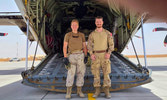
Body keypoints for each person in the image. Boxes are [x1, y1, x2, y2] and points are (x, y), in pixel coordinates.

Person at [87, 16, 114, 98]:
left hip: (105, 55)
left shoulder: (107, 33)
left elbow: (111, 45)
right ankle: (97, 91)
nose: (98, 23)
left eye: (100, 21)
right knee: (96, 74)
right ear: (95, 23)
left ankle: (107, 91)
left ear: (102, 22)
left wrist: (109, 53)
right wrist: (91, 54)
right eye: (97, 22)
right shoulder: (92, 34)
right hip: (96, 56)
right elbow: (89, 46)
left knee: (106, 74)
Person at [63, 19, 88, 99]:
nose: (74, 26)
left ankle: (79, 91)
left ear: (78, 26)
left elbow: (84, 46)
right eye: (73, 25)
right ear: (71, 26)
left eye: (75, 25)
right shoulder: (68, 35)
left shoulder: (82, 35)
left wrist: (86, 55)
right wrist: (65, 57)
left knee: (81, 73)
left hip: (80, 55)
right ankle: (68, 92)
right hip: (71, 56)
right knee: (71, 73)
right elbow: (65, 46)